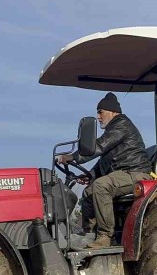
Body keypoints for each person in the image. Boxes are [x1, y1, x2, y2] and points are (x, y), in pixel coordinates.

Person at [57, 92, 152, 248]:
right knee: (89, 192)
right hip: (121, 173)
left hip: (135, 173)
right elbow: (104, 160)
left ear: (113, 112)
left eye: (100, 112)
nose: (98, 116)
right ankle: (89, 234)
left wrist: (72, 157)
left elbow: (100, 146)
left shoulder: (121, 124)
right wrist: (90, 175)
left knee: (101, 186)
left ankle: (105, 236)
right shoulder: (113, 131)